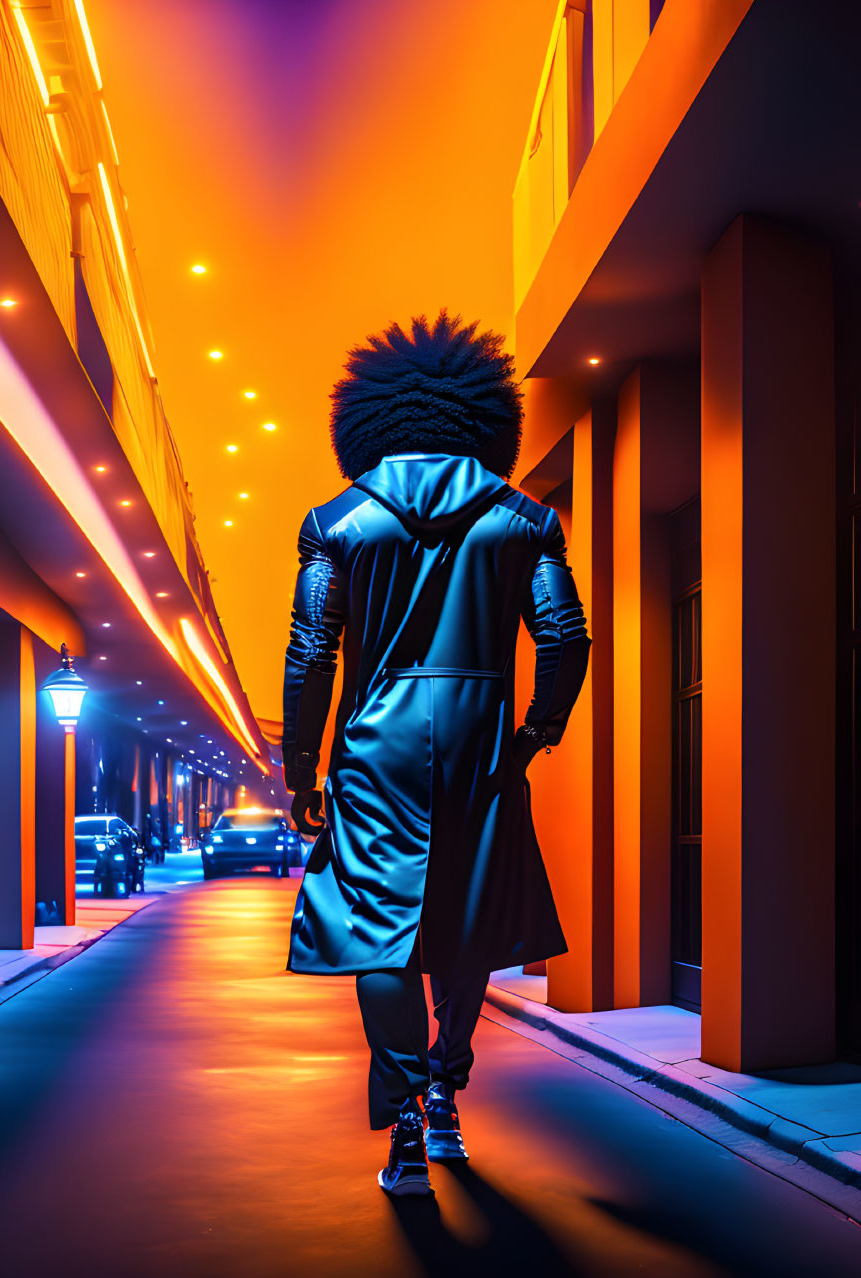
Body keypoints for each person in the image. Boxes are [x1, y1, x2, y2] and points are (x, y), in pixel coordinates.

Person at [281, 311, 590, 1197]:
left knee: (378, 935)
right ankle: (449, 1089)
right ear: (485, 421)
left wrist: (303, 769)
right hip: (484, 739)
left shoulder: (335, 521)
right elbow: (565, 638)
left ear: (366, 423)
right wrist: (533, 733)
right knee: (468, 925)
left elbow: (310, 653)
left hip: (375, 749)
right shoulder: (524, 519)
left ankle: (407, 1116)